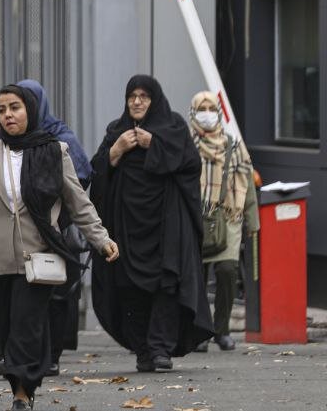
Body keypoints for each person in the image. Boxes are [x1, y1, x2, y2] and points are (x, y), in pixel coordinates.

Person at [0, 86, 118, 411]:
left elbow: (77, 202)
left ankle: (22, 391)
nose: (8, 115)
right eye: (2, 109)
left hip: (38, 253)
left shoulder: (54, 150)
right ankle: (20, 384)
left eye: (15, 107)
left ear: (31, 110)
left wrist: (101, 238)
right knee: (7, 327)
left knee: (28, 321)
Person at [90, 75, 214, 372]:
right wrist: (116, 151)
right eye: (132, 96)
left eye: (143, 96)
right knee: (129, 287)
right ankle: (143, 350)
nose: (136, 102)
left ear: (154, 99)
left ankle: (160, 348)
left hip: (166, 223)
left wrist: (154, 144)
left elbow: (190, 166)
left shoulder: (173, 127)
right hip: (126, 224)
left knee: (166, 283)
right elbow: (96, 174)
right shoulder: (116, 131)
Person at [17, 78, 91, 376]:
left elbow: (81, 177)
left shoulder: (61, 138)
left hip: (56, 227)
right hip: (20, 229)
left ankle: (52, 355)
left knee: (55, 293)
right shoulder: (8, 140)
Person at [188, 91, 258, 351]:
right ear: (193, 113)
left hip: (228, 217)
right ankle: (200, 331)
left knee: (227, 271)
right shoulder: (186, 144)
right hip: (196, 217)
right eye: (201, 109)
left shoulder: (233, 144)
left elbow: (246, 181)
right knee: (197, 275)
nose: (206, 114)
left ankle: (222, 329)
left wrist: (252, 221)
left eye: (211, 108)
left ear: (218, 112)